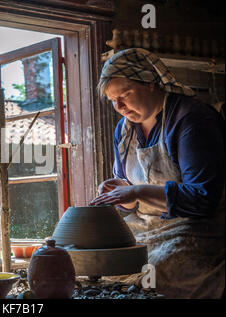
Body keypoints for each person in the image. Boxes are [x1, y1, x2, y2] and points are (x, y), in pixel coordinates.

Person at [89, 48, 225, 298]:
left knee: (156, 272)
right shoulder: (124, 129)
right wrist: (123, 196)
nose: (119, 106)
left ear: (151, 83)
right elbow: (130, 194)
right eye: (112, 100)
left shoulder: (191, 118)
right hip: (142, 230)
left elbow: (203, 198)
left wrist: (138, 191)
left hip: (193, 231)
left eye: (125, 94)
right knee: (102, 264)